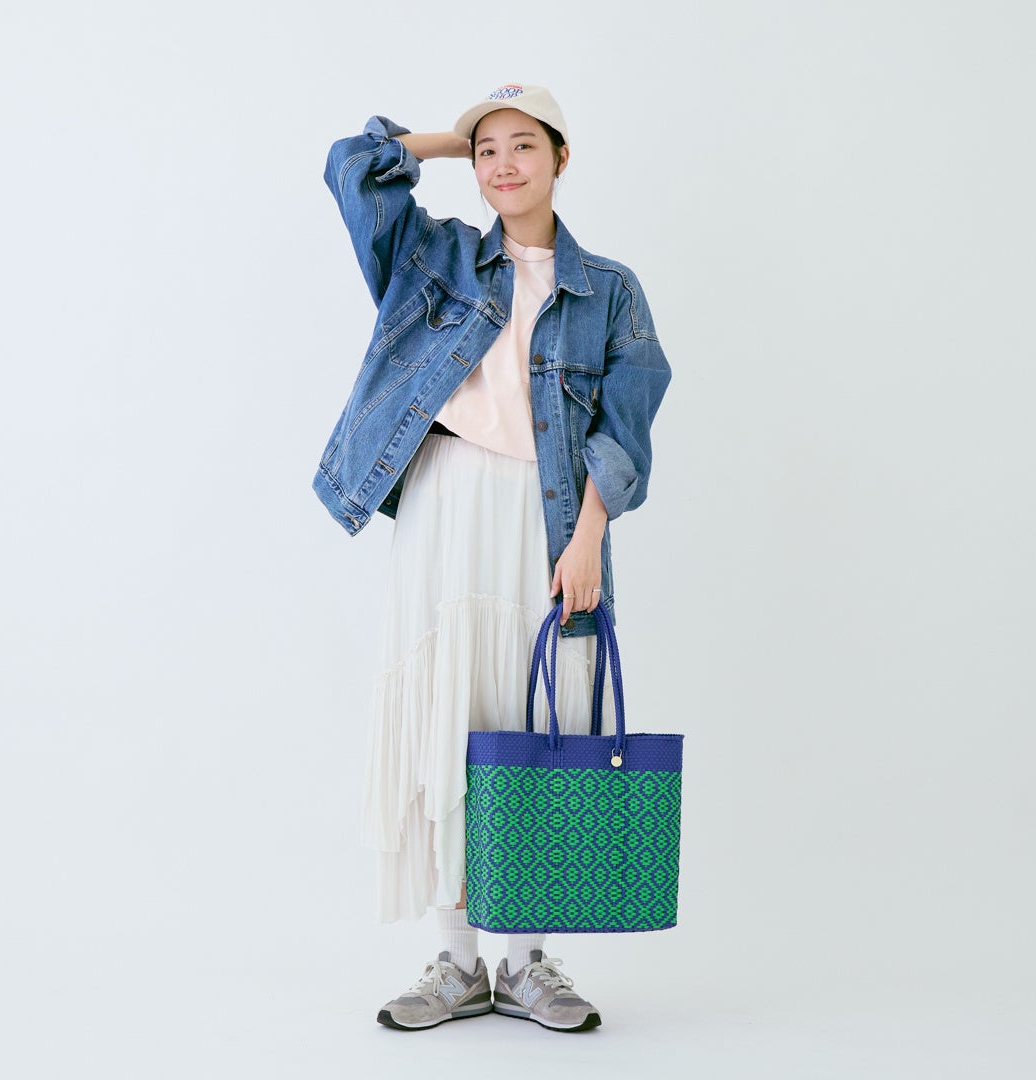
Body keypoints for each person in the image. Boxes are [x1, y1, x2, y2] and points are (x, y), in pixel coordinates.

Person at [314, 84, 671, 1032]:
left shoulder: (610, 290)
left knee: (537, 717)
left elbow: (625, 428)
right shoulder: (434, 258)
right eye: (488, 151)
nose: (503, 165)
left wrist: (589, 537)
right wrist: (449, 136)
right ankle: (458, 962)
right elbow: (352, 166)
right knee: (450, 709)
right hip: (445, 501)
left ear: (561, 158)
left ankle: (525, 963)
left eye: (524, 146)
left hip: (547, 517)